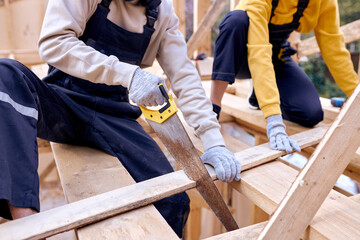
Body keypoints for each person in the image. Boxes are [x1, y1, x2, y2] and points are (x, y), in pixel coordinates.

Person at [0, 0, 241, 237]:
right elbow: (54, 43)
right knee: (6, 73)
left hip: (113, 117)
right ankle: (28, 225)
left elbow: (184, 77)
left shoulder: (162, 13)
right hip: (62, 105)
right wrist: (129, 74)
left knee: (173, 201)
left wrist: (214, 141)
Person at [210, 0, 359, 153]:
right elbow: (259, 52)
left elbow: (334, 50)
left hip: (277, 55)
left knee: (311, 114)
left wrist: (357, 97)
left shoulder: (324, 2)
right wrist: (274, 122)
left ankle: (258, 93)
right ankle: (213, 109)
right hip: (243, 56)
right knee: (235, 20)